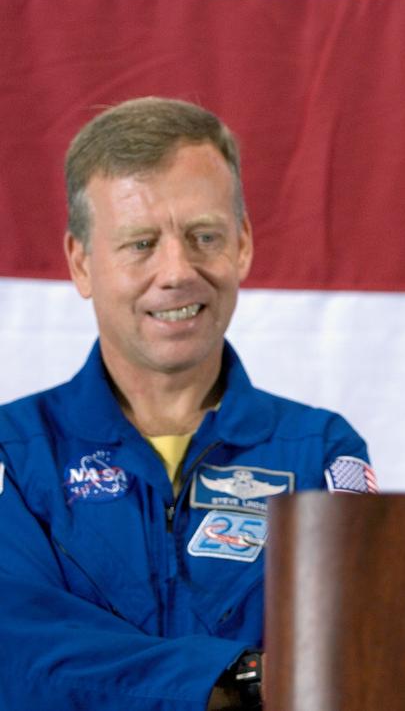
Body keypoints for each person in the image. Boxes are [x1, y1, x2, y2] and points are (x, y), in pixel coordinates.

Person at [0, 97, 376, 710]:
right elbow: (13, 648)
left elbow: (351, 649)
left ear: (243, 244)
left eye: (204, 236)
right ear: (80, 262)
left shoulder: (320, 451)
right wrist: (231, 678)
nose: (177, 271)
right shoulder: (13, 458)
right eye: (141, 243)